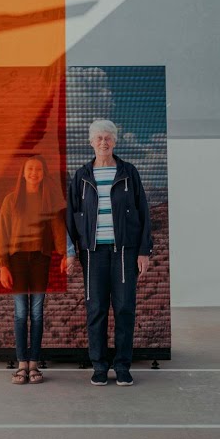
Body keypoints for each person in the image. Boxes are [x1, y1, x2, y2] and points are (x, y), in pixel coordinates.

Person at [65, 119, 153, 386]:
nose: (103, 142)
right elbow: (70, 215)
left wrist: (144, 250)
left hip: (125, 252)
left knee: (125, 308)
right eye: (99, 138)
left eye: (108, 138)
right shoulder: (81, 176)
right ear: (91, 142)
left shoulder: (128, 172)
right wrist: (71, 252)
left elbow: (143, 212)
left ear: (115, 141)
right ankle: (100, 366)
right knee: (96, 309)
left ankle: (122, 366)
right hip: (92, 254)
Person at [0, 154, 72, 384]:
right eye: (30, 169)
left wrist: (65, 254)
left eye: (38, 169)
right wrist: (2, 265)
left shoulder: (49, 200)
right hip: (17, 260)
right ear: (23, 173)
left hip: (40, 259)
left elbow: (58, 229)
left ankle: (34, 364)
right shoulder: (11, 200)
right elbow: (3, 233)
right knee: (21, 313)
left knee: (37, 313)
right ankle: (21, 364)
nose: (34, 173)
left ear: (43, 174)